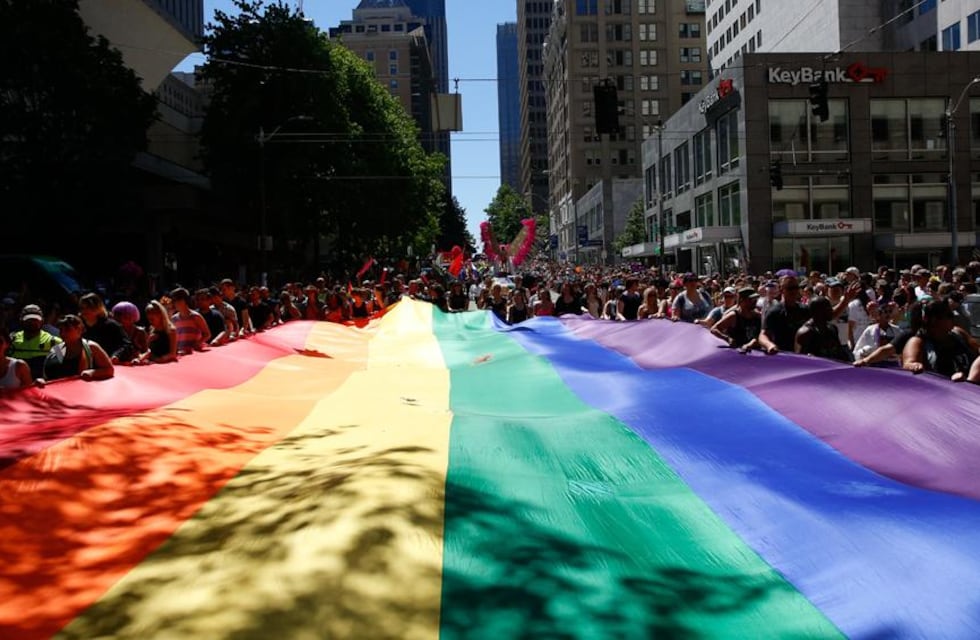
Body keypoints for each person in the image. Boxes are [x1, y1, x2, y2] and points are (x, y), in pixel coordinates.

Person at [902, 299, 978, 382]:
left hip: (972, 388)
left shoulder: (958, 333)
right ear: (934, 320)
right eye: (949, 315)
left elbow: (977, 348)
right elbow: (909, 363)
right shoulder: (917, 342)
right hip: (942, 390)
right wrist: (914, 365)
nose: (953, 318)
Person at [40, 314, 114, 383]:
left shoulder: (91, 347)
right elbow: (50, 375)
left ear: (79, 330)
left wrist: (93, 373)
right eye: (61, 330)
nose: (62, 333)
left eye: (67, 330)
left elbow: (109, 370)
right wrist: (42, 381)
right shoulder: (57, 349)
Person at [8, 304, 61, 379]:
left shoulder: (55, 342)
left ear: (42, 321)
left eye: (35, 320)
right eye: (28, 320)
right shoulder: (10, 341)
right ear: (21, 320)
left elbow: (63, 370)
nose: (32, 323)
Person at [78, 293, 134, 364]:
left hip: (107, 365)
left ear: (98, 308)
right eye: (82, 308)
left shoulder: (111, 325)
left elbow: (126, 345)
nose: (85, 311)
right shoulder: (78, 326)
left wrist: (116, 355)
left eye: (89, 307)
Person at [796, 297, 853, 363]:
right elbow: (799, 360)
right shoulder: (805, 333)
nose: (831, 310)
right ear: (818, 311)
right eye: (828, 308)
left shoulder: (832, 329)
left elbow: (840, 353)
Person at [171, 287, 211, 355]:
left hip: (194, 354)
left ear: (184, 300)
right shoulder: (174, 319)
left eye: (177, 300)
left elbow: (207, 334)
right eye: (174, 301)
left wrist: (196, 345)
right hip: (181, 354)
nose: (175, 303)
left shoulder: (196, 316)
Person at [141, 300, 178, 364]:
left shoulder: (171, 330)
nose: (150, 322)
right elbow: (147, 350)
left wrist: (159, 359)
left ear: (160, 315)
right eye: (149, 319)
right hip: (152, 363)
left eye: (152, 319)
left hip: (166, 364)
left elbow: (172, 354)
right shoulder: (151, 329)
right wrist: (148, 340)